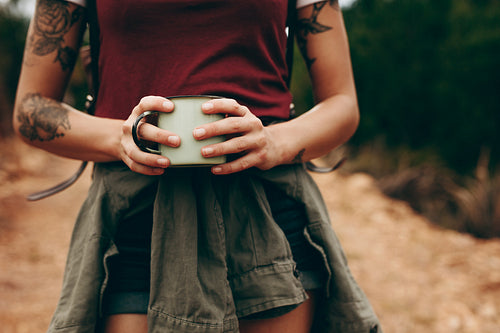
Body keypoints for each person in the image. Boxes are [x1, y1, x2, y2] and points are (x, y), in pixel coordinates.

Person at [13, 0, 382, 332]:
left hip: (268, 216)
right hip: (137, 219)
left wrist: (276, 142)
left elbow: (342, 103)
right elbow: (31, 108)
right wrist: (120, 137)